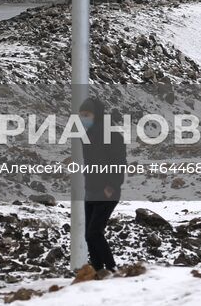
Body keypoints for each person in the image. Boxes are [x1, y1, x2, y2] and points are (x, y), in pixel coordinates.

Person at [79, 96, 127, 274]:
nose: (83, 118)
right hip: (91, 190)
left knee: (94, 233)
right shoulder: (87, 136)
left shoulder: (112, 134)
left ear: (96, 115)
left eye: (87, 114)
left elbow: (119, 161)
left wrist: (112, 185)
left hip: (107, 191)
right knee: (88, 235)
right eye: (81, 115)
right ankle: (98, 270)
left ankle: (111, 268)